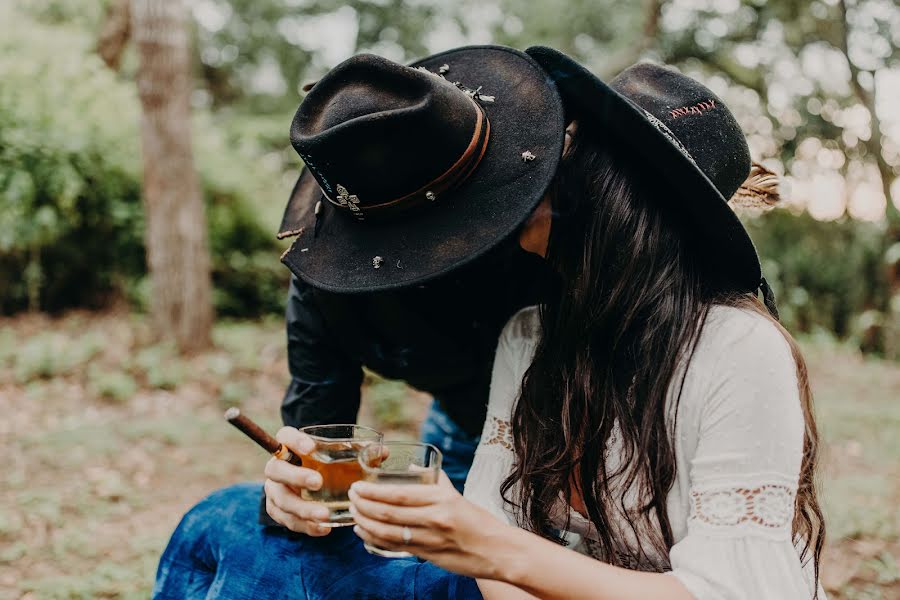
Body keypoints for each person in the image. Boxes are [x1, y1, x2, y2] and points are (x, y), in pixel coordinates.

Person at [345, 48, 827, 599]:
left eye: (566, 151)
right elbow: (493, 526)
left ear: (622, 198)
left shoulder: (739, 351)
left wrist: (499, 551)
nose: (536, 163)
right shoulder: (528, 338)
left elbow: (725, 592)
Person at [154, 45, 565, 598]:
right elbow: (314, 428)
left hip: (572, 445)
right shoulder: (328, 284)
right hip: (460, 431)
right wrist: (290, 495)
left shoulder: (556, 230)